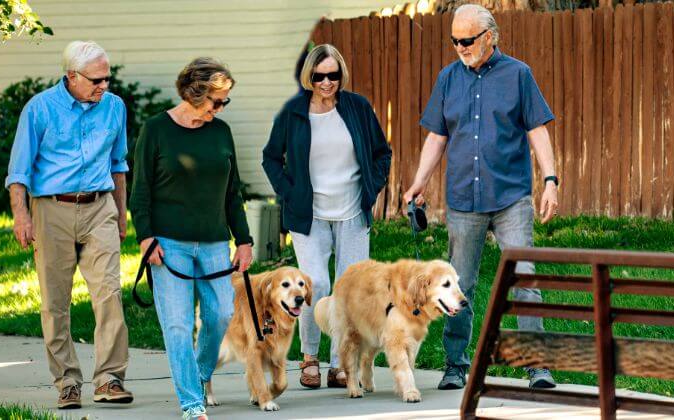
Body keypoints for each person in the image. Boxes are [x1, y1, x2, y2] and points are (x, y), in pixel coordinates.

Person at [402, 4, 561, 391]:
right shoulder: (447, 78)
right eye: (454, 40)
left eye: (467, 40)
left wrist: (552, 180)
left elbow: (537, 130)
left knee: (524, 278)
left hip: (510, 197)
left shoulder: (518, 74)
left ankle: (537, 366)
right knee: (459, 285)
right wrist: (418, 182)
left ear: (490, 36)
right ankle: (455, 364)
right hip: (463, 199)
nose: (460, 46)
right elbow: (437, 136)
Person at [5, 40, 133, 409]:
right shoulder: (40, 109)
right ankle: (67, 382)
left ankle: (110, 379)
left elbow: (119, 164)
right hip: (51, 210)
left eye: (107, 79)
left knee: (109, 294)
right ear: (71, 76)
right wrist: (21, 215)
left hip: (99, 207)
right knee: (55, 302)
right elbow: (19, 170)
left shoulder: (114, 108)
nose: (104, 86)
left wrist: (120, 214)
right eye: (96, 80)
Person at [129, 57, 253, 420]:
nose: (221, 107)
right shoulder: (155, 130)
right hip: (169, 246)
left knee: (220, 315)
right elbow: (141, 193)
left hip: (214, 241)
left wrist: (243, 240)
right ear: (194, 94)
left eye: (225, 101)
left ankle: (198, 375)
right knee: (178, 324)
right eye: (216, 100)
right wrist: (145, 237)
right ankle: (191, 402)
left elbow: (233, 192)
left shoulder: (221, 132)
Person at [262, 44, 392, 389]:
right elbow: (271, 158)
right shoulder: (293, 112)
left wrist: (373, 186)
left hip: (352, 212)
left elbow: (382, 152)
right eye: (319, 76)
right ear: (309, 76)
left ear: (341, 75)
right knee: (314, 283)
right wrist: (289, 192)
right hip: (309, 215)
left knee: (350, 290)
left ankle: (340, 363)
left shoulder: (357, 107)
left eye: (333, 75)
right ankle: (309, 357)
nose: (326, 82)